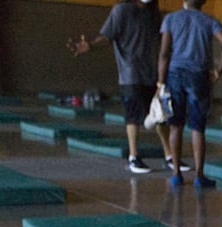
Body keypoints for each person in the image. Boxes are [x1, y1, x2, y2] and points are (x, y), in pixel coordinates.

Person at [68, 0, 180, 174]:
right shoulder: (121, 10)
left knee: (162, 114)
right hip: (130, 73)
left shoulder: (153, 13)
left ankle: (170, 156)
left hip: (153, 73)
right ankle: (134, 157)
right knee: (133, 116)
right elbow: (107, 36)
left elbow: (161, 40)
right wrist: (91, 45)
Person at [157, 0, 222, 188]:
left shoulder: (170, 19)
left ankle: (176, 174)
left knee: (175, 126)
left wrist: (160, 83)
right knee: (198, 127)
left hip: (174, 75)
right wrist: (218, 71)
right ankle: (199, 175)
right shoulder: (210, 20)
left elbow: (164, 54)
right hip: (199, 76)